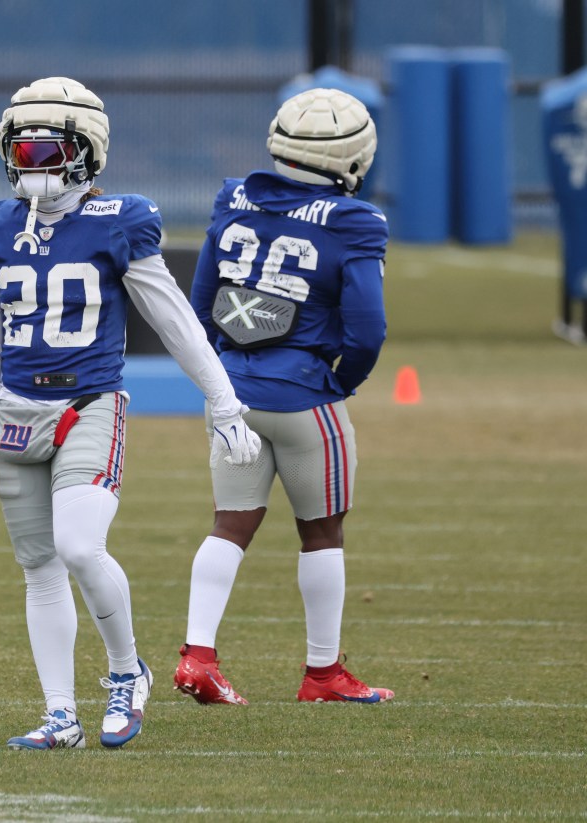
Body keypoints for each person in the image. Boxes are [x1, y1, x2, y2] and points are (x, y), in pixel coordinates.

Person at [0, 76, 261, 750]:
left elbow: (173, 319)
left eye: (47, 151)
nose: (32, 165)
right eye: (21, 152)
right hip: (14, 412)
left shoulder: (120, 219)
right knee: (39, 567)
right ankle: (61, 715)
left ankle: (126, 672)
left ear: (86, 152)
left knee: (80, 546)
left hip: (89, 403)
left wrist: (224, 399)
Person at [173, 88, 394, 705]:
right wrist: (340, 383)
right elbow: (368, 330)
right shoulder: (355, 220)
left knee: (229, 525)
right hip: (304, 397)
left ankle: (197, 657)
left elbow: (199, 305)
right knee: (322, 532)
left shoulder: (233, 196)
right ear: (354, 155)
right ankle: (323, 675)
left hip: (233, 394)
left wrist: (223, 377)